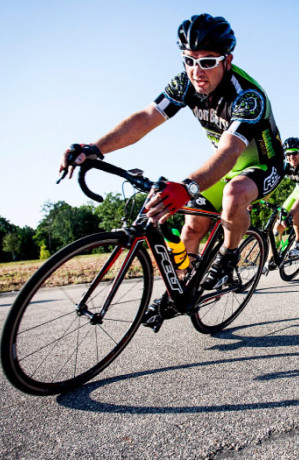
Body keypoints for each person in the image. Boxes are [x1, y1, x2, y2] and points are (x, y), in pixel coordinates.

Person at [59, 14, 284, 289]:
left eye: (207, 62)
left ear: (227, 60)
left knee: (234, 193)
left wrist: (187, 187)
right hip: (225, 166)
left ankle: (228, 256)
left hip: (263, 165)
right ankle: (182, 291)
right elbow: (145, 118)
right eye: (189, 61)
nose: (197, 71)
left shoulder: (248, 97)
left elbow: (229, 150)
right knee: (190, 228)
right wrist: (95, 147)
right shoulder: (185, 84)